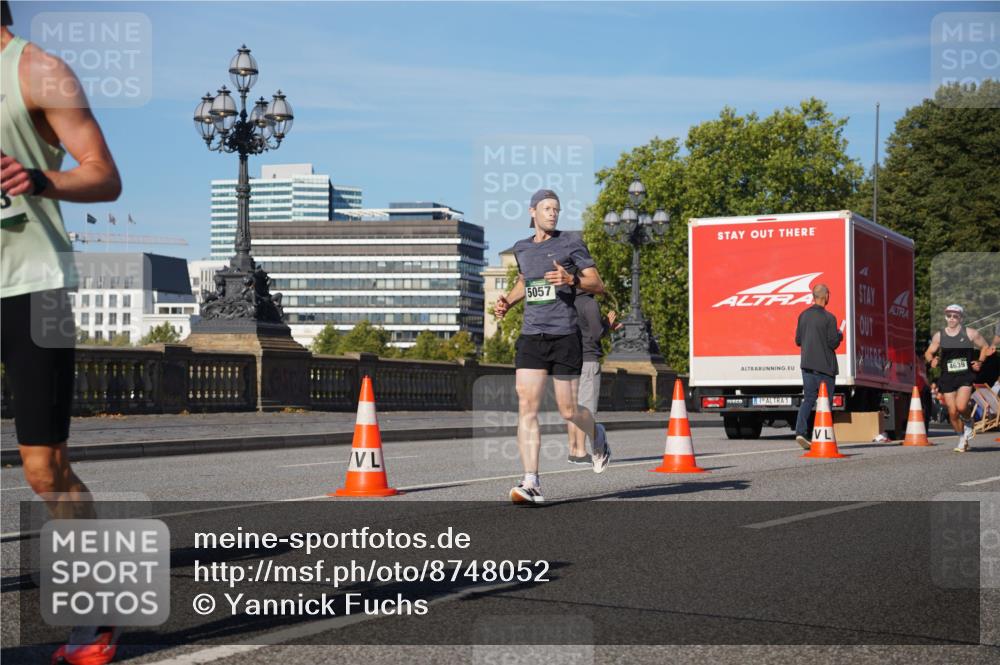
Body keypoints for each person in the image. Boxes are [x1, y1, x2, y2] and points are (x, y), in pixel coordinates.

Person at [1, 2, 122, 663]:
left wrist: (40, 177)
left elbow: (105, 173)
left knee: (45, 470)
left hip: (33, 287)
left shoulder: (39, 71)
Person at [494, 189, 609, 504]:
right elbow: (524, 281)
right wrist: (508, 302)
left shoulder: (571, 243)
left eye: (556, 209)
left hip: (565, 335)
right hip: (532, 336)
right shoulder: (522, 248)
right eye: (547, 208)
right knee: (526, 407)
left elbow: (597, 284)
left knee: (568, 410)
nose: (553, 213)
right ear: (533, 212)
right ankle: (531, 481)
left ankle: (596, 433)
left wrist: (571, 280)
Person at [924, 304, 990, 452]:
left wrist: (979, 361)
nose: (952, 319)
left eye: (955, 316)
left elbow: (985, 347)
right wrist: (932, 360)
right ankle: (962, 438)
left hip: (965, 375)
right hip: (947, 377)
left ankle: (968, 421)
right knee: (952, 412)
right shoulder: (940, 335)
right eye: (949, 316)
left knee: (961, 406)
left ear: (961, 318)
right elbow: (929, 352)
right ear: (946, 317)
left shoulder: (971, 333)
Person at [566, 294, 619, 464]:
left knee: (572, 409)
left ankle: (573, 449)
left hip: (569, 360)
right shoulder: (590, 304)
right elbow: (597, 333)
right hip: (588, 360)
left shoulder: (567, 301)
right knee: (585, 408)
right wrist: (607, 324)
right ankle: (581, 451)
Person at [793, 283, 843, 449]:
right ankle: (822, 436)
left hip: (807, 366)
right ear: (826, 296)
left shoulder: (803, 315)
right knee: (825, 404)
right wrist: (840, 335)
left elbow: (798, 341)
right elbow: (833, 343)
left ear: (814, 296)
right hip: (825, 368)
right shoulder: (829, 318)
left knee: (808, 399)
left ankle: (800, 431)